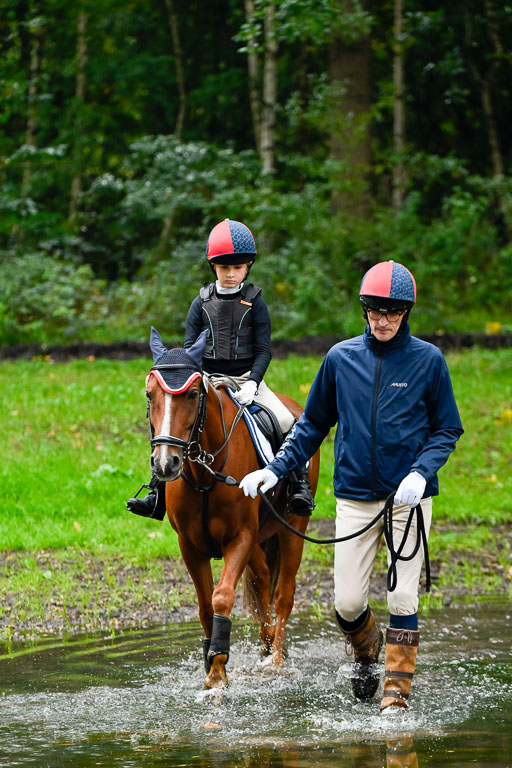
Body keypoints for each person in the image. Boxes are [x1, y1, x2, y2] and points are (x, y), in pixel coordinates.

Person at [239, 260, 463, 713]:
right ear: (364, 310)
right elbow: (312, 425)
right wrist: (276, 470)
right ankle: (367, 651)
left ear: (406, 312)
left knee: (403, 595)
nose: (383, 321)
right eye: (375, 311)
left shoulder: (428, 361)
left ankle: (396, 695)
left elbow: (447, 429)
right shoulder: (340, 359)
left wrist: (421, 473)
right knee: (347, 604)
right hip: (355, 497)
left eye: (392, 312)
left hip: (408, 499)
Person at [127, 218, 315, 520]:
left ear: (248, 267)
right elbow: (191, 350)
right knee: (173, 423)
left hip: (247, 380)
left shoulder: (256, 302)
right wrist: (198, 380)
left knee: (285, 420)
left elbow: (263, 350)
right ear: (213, 266)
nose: (230, 274)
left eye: (237, 267)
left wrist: (253, 383)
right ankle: (157, 491)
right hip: (208, 380)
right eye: (224, 267)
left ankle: (298, 486)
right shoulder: (200, 303)